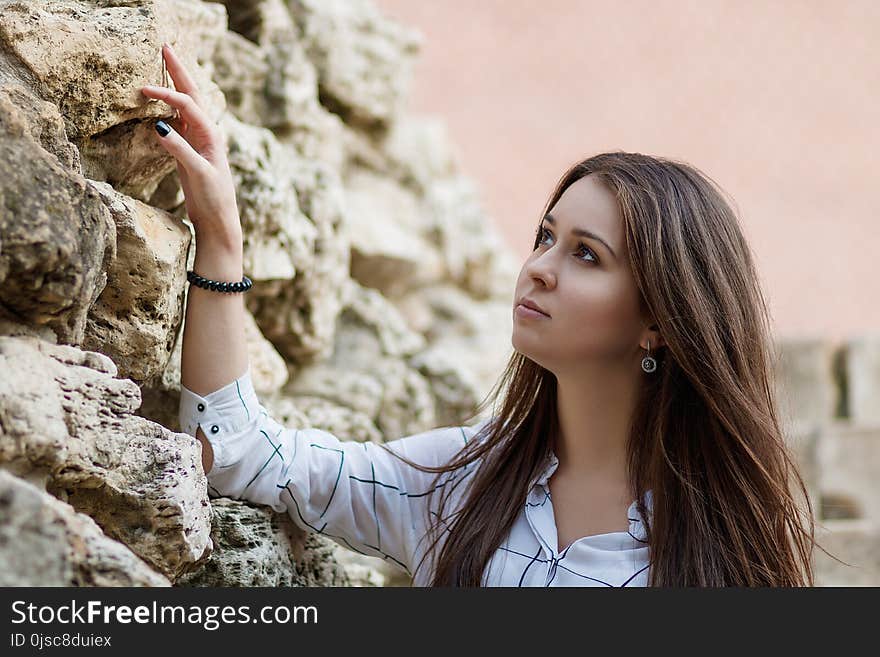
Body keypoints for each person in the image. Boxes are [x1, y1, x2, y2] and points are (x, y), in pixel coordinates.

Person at [143, 44, 821, 587]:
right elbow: (235, 452)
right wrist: (222, 235)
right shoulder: (459, 479)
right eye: (546, 237)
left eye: (587, 255)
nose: (540, 267)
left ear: (660, 321)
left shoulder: (717, 554)